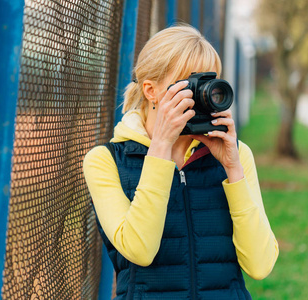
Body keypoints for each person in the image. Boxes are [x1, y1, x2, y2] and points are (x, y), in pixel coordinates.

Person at [83, 25, 278, 299]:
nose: (204, 94)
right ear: (151, 90)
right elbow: (140, 250)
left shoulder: (237, 155)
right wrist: (161, 147)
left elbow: (260, 265)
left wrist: (234, 170)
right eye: (190, 85)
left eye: (209, 82)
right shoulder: (106, 161)